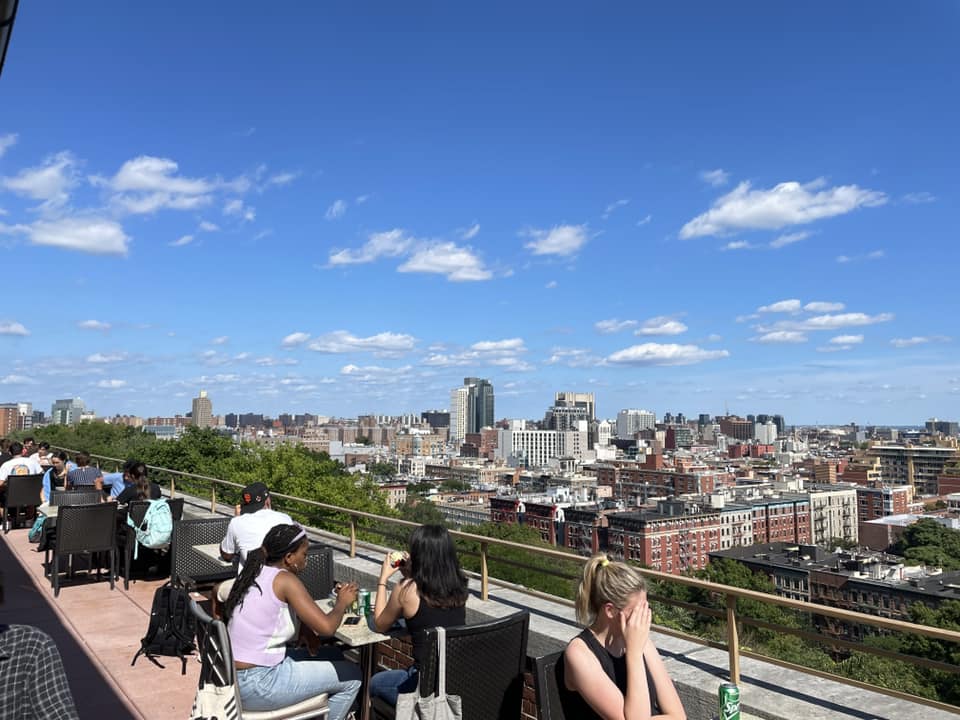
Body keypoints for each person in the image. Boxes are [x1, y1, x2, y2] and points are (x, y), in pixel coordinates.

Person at [223, 523, 362, 719]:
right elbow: (327, 628)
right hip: (258, 683)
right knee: (352, 675)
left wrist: (304, 628)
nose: (306, 559)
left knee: (334, 654)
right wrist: (342, 603)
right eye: (304, 554)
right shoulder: (286, 580)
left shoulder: (256, 571)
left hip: (232, 675)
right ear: (289, 558)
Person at [562, 555, 685, 720]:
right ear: (610, 611)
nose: (644, 618)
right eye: (636, 611)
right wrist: (633, 653)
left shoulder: (641, 640)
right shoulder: (580, 654)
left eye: (646, 608)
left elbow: (678, 716)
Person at [369, 524, 469, 706]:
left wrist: (383, 579)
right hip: (453, 684)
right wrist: (412, 574)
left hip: (423, 690)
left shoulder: (407, 590)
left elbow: (380, 624)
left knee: (375, 683)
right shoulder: (459, 587)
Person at [220, 482, 293, 572]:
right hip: (282, 579)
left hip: (249, 582)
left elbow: (227, 555)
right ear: (267, 501)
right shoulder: (286, 519)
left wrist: (237, 518)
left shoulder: (237, 522)